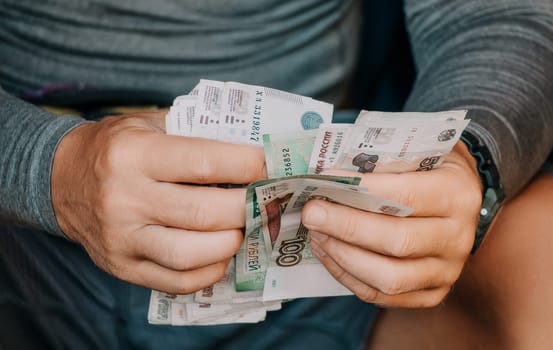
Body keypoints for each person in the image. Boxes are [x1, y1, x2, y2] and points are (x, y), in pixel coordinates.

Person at [0, 0, 552, 349]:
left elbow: (495, 14)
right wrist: (46, 170)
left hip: (329, 241)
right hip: (20, 238)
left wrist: (464, 162)